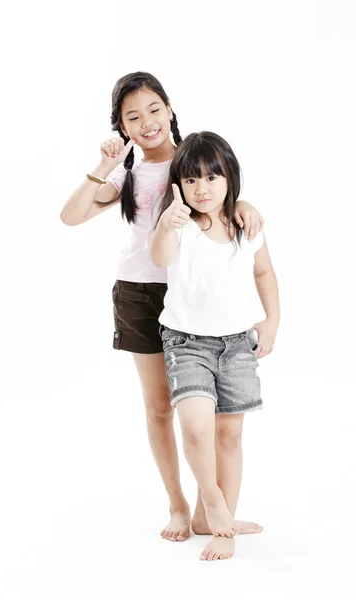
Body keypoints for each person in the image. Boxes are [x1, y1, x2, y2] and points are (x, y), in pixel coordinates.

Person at [60, 73, 264, 543]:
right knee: (159, 409)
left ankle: (210, 511)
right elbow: (71, 217)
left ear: (169, 108)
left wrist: (246, 201)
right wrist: (102, 163)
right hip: (139, 293)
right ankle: (178, 505)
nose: (147, 122)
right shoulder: (126, 174)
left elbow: (224, 189)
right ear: (122, 127)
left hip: (194, 300)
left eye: (154, 109)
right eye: (133, 117)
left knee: (212, 413)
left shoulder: (194, 160)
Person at [150, 131, 280, 560]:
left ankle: (218, 522)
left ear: (230, 178)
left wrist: (272, 320)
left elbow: (264, 273)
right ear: (179, 186)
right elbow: (161, 257)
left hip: (238, 344)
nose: (201, 188)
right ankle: (215, 507)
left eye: (211, 178)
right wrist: (169, 222)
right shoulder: (181, 226)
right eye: (190, 181)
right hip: (187, 343)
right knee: (195, 428)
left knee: (229, 435)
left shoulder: (246, 225)